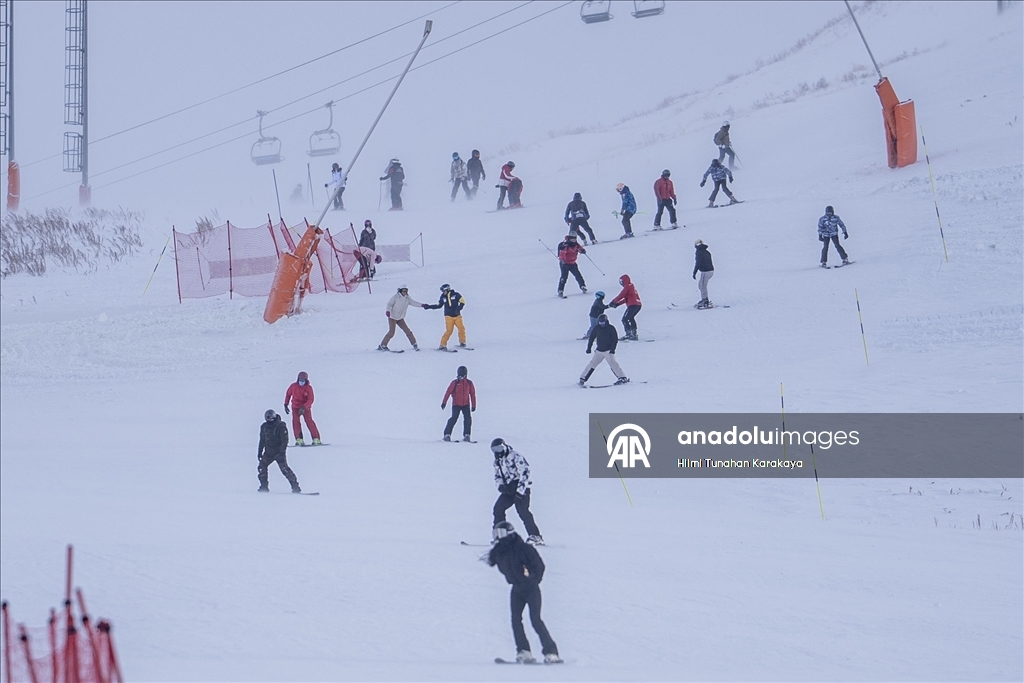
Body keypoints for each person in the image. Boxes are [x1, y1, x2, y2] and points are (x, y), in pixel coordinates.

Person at [486, 521, 561, 664]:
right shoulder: (500, 550)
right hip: (516, 589)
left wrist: (533, 579)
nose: (498, 537)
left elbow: (539, 566)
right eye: (496, 534)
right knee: (515, 620)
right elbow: (494, 561)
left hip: (531, 588)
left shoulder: (524, 548)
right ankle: (523, 651)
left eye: (501, 533)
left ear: (510, 534)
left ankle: (551, 652)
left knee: (535, 620)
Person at [490, 438, 544, 545]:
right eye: (494, 450)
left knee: (522, 511)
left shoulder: (515, 456)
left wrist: (520, 491)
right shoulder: (497, 462)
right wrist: (500, 486)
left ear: (504, 447)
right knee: (498, 509)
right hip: (508, 490)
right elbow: (497, 476)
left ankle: (535, 536)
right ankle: (501, 536)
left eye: (499, 448)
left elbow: (525, 472)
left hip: (521, 488)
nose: (498, 452)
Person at [257, 409, 301, 493]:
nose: (270, 420)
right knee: (261, 467)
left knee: (285, 469)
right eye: (268, 418)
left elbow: (284, 440)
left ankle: (295, 486)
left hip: (278, 452)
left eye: (271, 418)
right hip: (268, 453)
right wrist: (259, 452)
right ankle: (264, 486)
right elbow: (262, 440)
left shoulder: (281, 426)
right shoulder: (264, 427)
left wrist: (282, 452)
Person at [579, 314, 629, 386]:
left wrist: (612, 349)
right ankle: (582, 379)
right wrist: (589, 348)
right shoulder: (597, 328)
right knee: (592, 364)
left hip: (608, 351)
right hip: (599, 351)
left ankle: (622, 378)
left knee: (613, 364)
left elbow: (615, 340)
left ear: (606, 321)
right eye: (600, 322)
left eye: (603, 322)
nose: (601, 324)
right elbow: (592, 338)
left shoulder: (611, 328)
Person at [378, 285, 423, 351]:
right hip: (392, 317)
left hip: (400, 318)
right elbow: (389, 304)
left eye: (406, 291)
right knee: (392, 332)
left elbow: (414, 303)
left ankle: (414, 344)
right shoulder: (395, 297)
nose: (405, 292)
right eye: (403, 291)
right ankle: (383, 345)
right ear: (400, 291)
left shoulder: (407, 298)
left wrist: (422, 305)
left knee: (407, 331)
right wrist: (388, 311)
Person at [425, 283, 468, 350]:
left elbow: (462, 301)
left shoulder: (456, 295)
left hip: (457, 316)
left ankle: (462, 342)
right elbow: (439, 305)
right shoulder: (443, 297)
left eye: (443, 291)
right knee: (449, 331)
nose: (443, 292)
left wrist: (458, 309)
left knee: (461, 329)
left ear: (447, 290)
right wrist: (429, 306)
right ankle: (442, 345)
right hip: (448, 317)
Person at [283, 371, 321, 446]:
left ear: (306, 380)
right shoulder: (293, 386)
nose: (301, 382)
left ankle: (316, 438)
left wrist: (304, 407)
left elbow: (311, 399)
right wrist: (285, 404)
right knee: (296, 422)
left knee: (309, 422)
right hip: (295, 407)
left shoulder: (309, 388)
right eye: (300, 380)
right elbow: (288, 394)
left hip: (305, 408)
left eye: (303, 380)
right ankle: (299, 439)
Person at [441, 365, 476, 442]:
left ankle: (467, 435)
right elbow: (448, 392)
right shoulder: (455, 383)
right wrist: (444, 402)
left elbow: (472, 394)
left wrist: (473, 405)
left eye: (463, 375)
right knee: (453, 419)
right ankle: (447, 434)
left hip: (466, 405)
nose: (461, 377)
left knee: (468, 419)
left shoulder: (469, 383)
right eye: (460, 375)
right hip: (456, 404)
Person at [608, 274, 642, 341]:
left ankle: (629, 334)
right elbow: (626, 299)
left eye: (621, 281)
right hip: (637, 305)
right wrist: (617, 304)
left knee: (625, 319)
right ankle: (633, 334)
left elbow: (621, 295)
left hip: (633, 305)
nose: (621, 283)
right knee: (631, 318)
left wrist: (613, 302)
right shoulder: (631, 286)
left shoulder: (627, 287)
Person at [556, 234, 587, 299]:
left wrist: (582, 250)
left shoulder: (576, 244)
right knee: (564, 277)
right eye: (572, 239)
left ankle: (582, 286)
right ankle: (560, 290)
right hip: (565, 264)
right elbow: (562, 253)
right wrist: (563, 260)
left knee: (578, 275)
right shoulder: (565, 246)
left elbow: (580, 248)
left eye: (575, 239)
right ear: (569, 239)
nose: (574, 240)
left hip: (572, 263)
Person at [692, 239, 715, 309]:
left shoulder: (699, 252)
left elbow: (698, 262)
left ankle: (705, 301)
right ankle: (705, 299)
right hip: (710, 270)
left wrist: (694, 272)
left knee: (702, 285)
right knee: (701, 285)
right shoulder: (706, 251)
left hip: (706, 271)